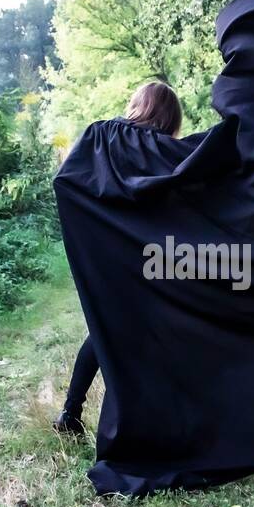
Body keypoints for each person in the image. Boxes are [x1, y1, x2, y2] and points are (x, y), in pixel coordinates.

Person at [53, 80, 184, 439]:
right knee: (143, 336)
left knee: (103, 330)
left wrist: (90, 234)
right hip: (151, 260)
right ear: (170, 114)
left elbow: (66, 180)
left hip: (107, 257)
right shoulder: (168, 151)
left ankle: (71, 413)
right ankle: (145, 422)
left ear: (138, 105)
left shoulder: (100, 135)